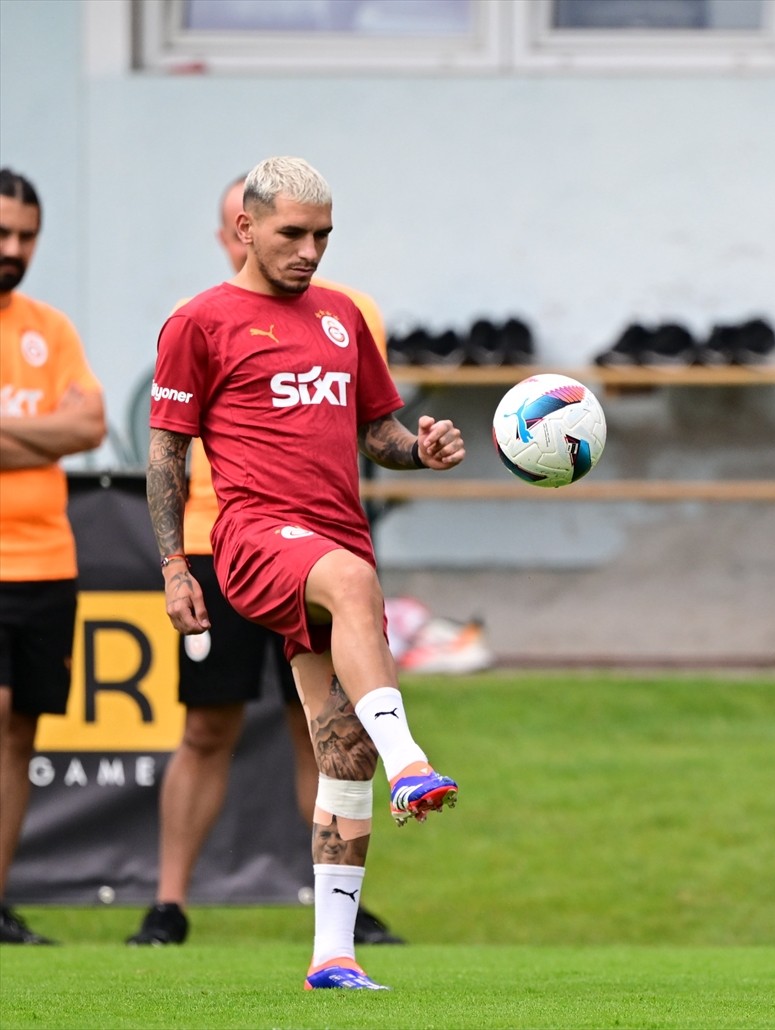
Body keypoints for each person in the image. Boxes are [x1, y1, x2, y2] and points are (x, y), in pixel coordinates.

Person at [146, 156, 464, 990]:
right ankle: (414, 764)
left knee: (340, 752)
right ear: (244, 229)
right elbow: (167, 452)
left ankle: (332, 955)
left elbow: (377, 432)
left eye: (323, 234)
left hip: (333, 530)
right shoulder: (200, 321)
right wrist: (175, 564)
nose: (310, 250)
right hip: (250, 535)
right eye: (293, 233)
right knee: (356, 586)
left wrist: (419, 452)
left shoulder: (342, 317)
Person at [0, 168, 107, 944]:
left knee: (20, 733)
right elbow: (61, 429)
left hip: (46, 563)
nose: (13, 249)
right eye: (2, 233)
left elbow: (89, 427)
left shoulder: (51, 327)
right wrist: (46, 434)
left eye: (26, 236)